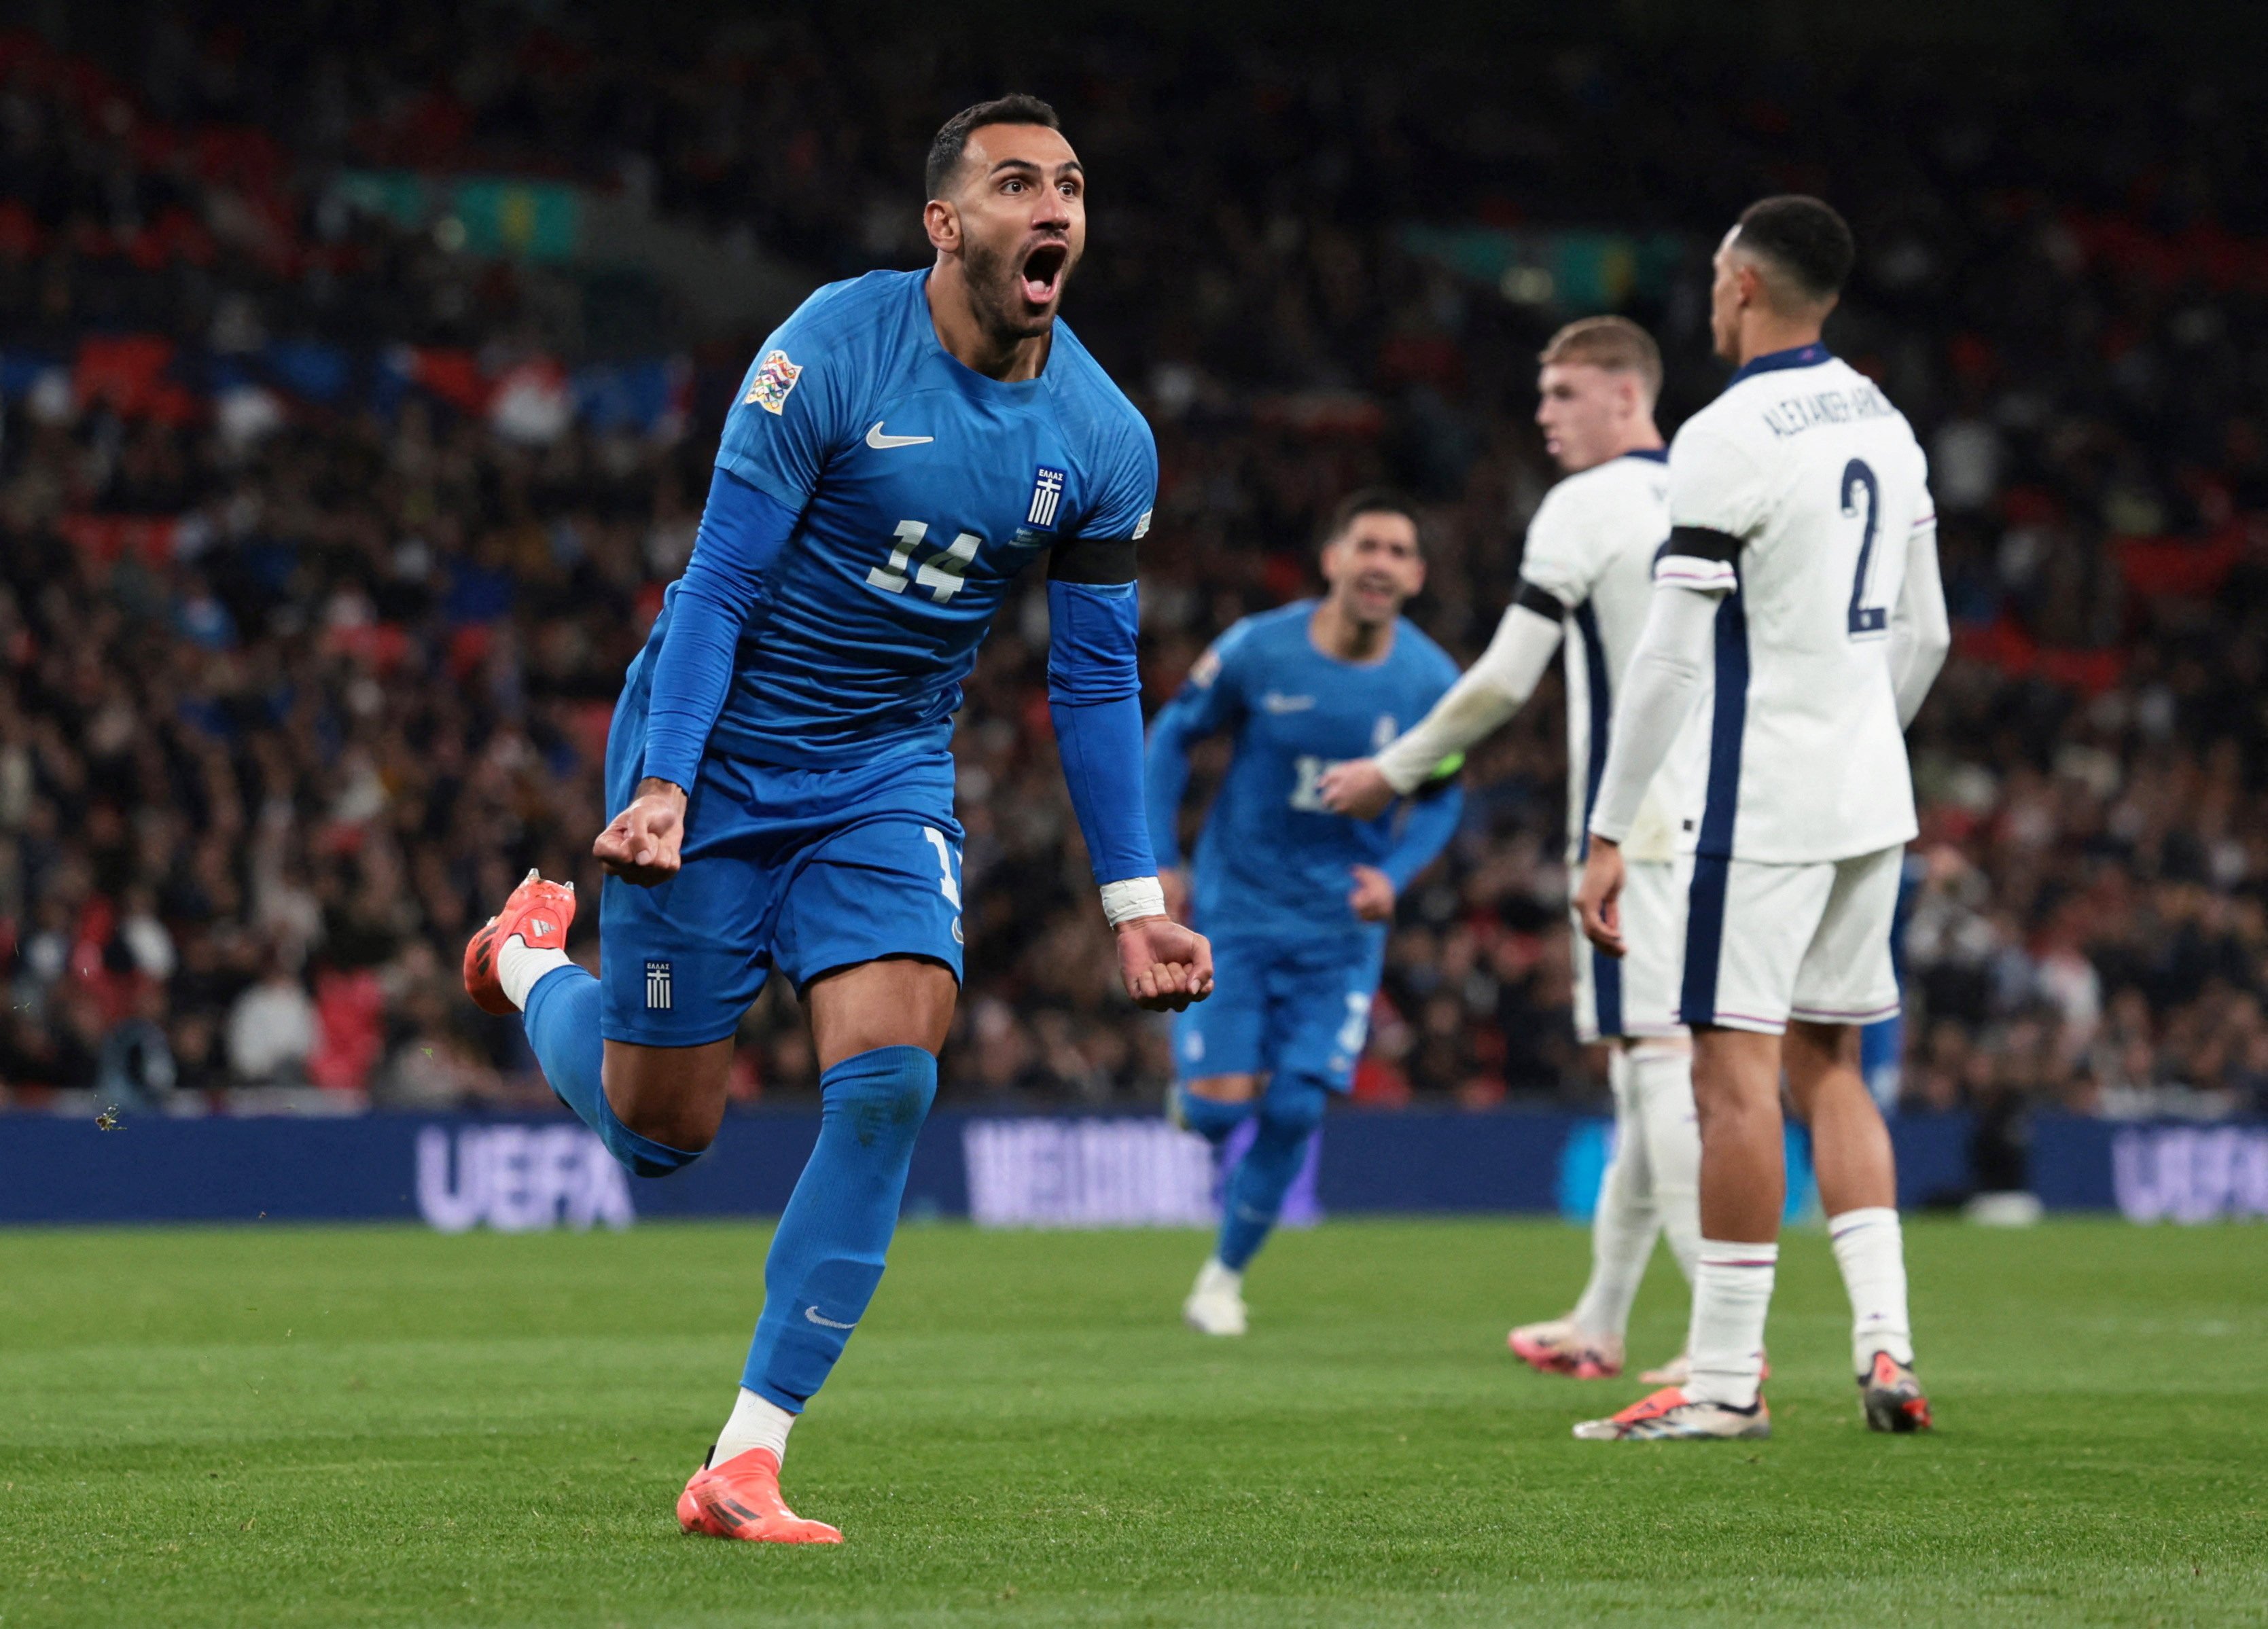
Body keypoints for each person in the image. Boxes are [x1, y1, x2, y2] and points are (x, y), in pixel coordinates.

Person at [461, 95, 1213, 1540]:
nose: (1049, 207)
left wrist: (1135, 903)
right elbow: (720, 585)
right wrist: (665, 785)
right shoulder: (826, 346)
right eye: (1012, 184)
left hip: (882, 772)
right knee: (659, 1134)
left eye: (1066, 184)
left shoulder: (1105, 435)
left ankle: (745, 1455)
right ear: (946, 225)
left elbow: (1096, 675)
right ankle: (523, 964)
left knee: (891, 1074)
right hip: (718, 750)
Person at [1570, 196, 1951, 1441]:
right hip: (1867, 794)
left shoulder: (1727, 432)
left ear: (1736, 282)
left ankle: (1725, 1381)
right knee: (1830, 1064)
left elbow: (1673, 664)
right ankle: (1885, 1341)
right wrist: (1857, 738)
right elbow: (1927, 633)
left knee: (1730, 1080)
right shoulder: (1883, 420)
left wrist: (1611, 826)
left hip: (1761, 796)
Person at [1319, 317, 1705, 1384]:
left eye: (1563, 394)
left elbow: (1502, 677)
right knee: (1643, 1075)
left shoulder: (1586, 505)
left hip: (1651, 828)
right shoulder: (1712, 490)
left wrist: (1393, 769)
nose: (1542, 415)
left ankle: (1727, 1337)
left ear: (1626, 397)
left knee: (1660, 1067)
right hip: (1734, 813)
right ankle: (1601, 1319)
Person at [1146, 490, 1463, 1336]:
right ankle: (1195, 1097)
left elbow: (1441, 795)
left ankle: (1221, 1280)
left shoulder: (1433, 682)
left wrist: (1394, 871)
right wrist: (1160, 863)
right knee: (1217, 1111)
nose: (1379, 563)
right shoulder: (1258, 649)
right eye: (1366, 544)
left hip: (1338, 930)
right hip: (1237, 911)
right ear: (1331, 558)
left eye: (1398, 551)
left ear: (1417, 576)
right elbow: (1171, 739)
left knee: (1293, 1109)